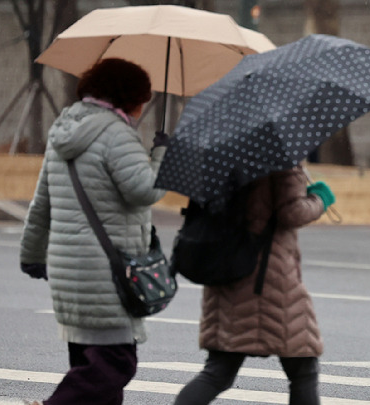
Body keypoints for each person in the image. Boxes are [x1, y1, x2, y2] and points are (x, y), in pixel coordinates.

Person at [20, 58, 168, 405]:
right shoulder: (116, 133)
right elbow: (144, 190)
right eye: (141, 97)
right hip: (105, 273)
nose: (142, 107)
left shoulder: (64, 129)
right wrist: (163, 156)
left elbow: (41, 205)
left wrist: (31, 256)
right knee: (115, 365)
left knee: (91, 365)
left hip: (66, 269)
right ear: (126, 96)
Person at [173, 167, 335, 405]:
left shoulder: (220, 157)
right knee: (303, 369)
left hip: (226, 271)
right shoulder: (278, 159)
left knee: (218, 371)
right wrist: (319, 199)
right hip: (268, 279)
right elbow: (291, 212)